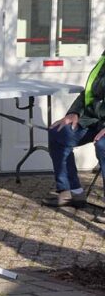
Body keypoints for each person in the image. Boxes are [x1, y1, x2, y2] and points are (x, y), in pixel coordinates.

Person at [44, 49, 105, 218]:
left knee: (103, 145)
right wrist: (74, 112)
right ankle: (71, 191)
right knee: (59, 133)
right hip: (93, 120)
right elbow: (89, 93)